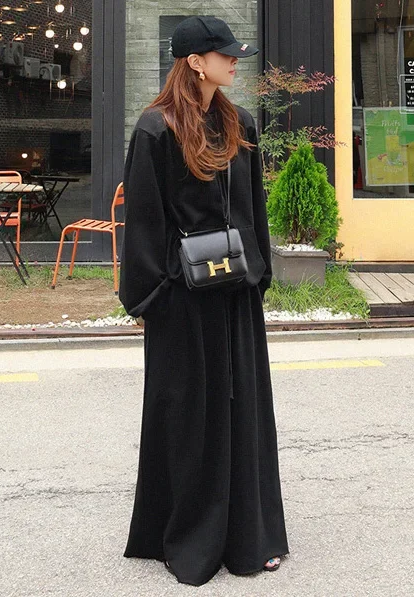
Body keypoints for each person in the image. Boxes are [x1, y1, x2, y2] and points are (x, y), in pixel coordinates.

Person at [120, 15, 289, 587]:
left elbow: (253, 208)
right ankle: (186, 538)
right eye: (225, 54)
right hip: (182, 300)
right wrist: (154, 297)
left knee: (244, 413)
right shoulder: (156, 128)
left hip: (235, 295)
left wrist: (257, 275)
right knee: (188, 418)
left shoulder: (241, 123)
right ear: (195, 61)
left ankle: (248, 536)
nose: (235, 61)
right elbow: (144, 222)